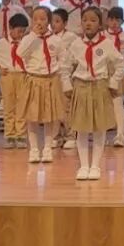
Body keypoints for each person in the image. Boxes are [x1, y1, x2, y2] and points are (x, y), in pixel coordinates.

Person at [60, 7, 124, 180]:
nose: (88, 23)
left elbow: (120, 64)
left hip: (100, 86)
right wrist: (67, 84)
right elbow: (65, 66)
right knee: (81, 128)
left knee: (99, 128)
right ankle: (83, 166)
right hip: (81, 87)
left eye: (93, 20)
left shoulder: (106, 44)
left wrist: (113, 82)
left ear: (100, 24)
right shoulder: (76, 44)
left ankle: (95, 165)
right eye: (85, 20)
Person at [18, 7, 65, 163]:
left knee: (49, 117)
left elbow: (62, 58)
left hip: (50, 80)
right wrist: (33, 35)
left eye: (43, 19)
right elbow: (20, 53)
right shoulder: (28, 39)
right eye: (35, 19)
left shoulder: (56, 40)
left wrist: (58, 74)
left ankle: (47, 148)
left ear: (49, 21)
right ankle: (34, 149)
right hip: (34, 79)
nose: (39, 22)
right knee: (32, 117)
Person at [0, 12, 30, 148]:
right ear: (10, 28)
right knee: (9, 106)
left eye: (23, 31)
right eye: (19, 31)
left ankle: (21, 135)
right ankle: (10, 135)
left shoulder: (26, 43)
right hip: (7, 75)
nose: (21, 34)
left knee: (22, 106)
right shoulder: (1, 43)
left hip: (22, 75)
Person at [47, 9, 79, 151]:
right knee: (53, 108)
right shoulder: (48, 38)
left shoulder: (72, 38)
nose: (54, 24)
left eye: (57, 21)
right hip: (51, 76)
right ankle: (56, 136)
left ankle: (70, 136)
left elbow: (77, 56)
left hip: (66, 76)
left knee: (66, 108)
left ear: (65, 23)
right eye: (52, 21)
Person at [104, 7, 124, 148]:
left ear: (122, 21)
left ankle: (120, 135)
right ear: (107, 20)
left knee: (118, 103)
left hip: (119, 72)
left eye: (117, 20)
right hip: (104, 72)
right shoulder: (103, 36)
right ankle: (103, 136)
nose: (114, 23)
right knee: (104, 105)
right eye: (111, 19)